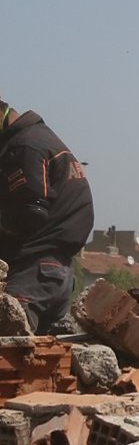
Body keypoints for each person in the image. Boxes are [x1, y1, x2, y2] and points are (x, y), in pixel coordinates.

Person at [0, 100, 95, 332]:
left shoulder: (24, 146)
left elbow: (31, 213)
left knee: (8, 352)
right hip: (55, 273)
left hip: (33, 272)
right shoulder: (39, 139)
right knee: (38, 362)